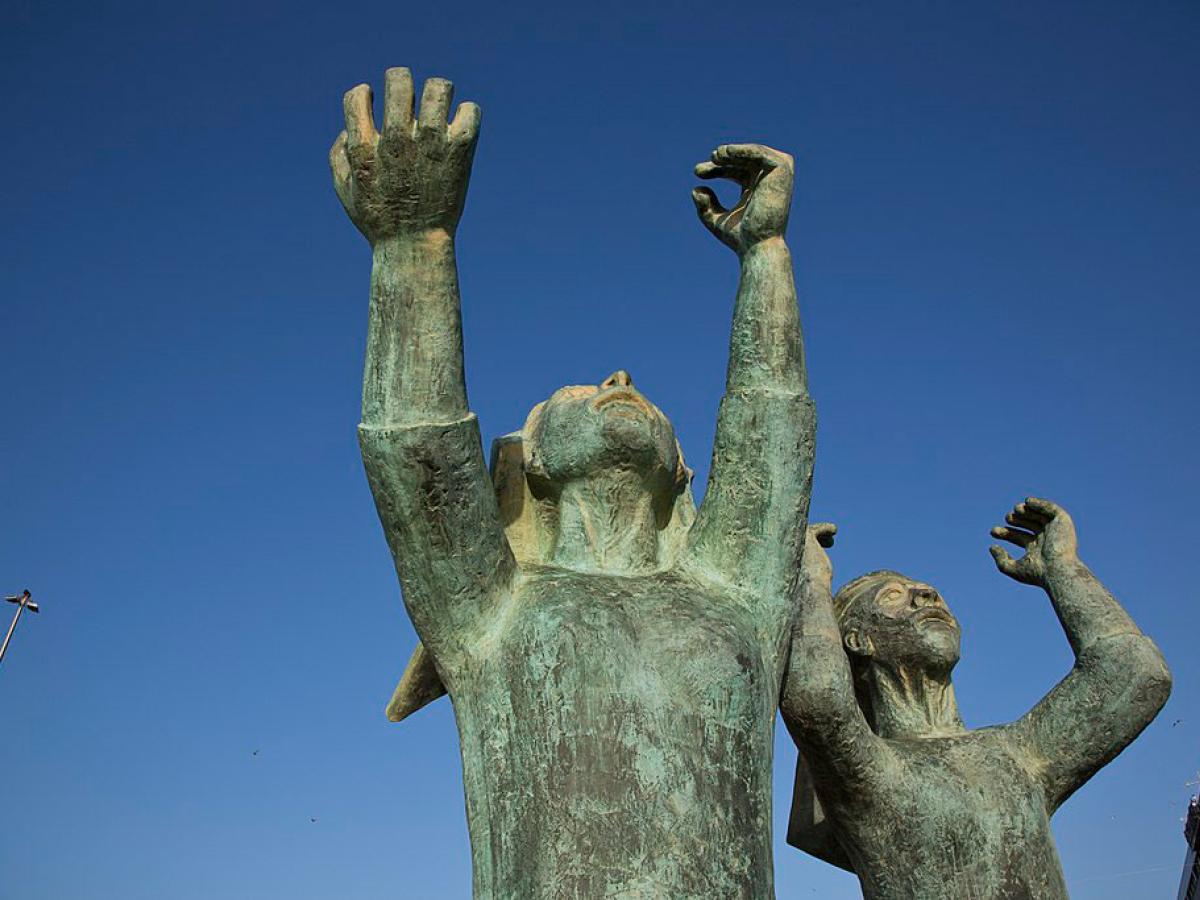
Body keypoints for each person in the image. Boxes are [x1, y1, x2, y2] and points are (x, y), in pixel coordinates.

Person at [329, 67, 815, 898]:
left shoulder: (736, 594)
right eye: (578, 395)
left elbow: (771, 431)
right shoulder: (494, 607)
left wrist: (765, 254)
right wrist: (414, 245)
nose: (618, 375)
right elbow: (417, 458)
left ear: (682, 472)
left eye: (635, 395)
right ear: (537, 463)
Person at [781, 499, 1172, 899]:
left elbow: (1136, 672)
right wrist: (812, 585)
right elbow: (816, 698)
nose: (927, 596)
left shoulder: (1017, 754)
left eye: (927, 591)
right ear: (857, 641)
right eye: (894, 596)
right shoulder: (868, 770)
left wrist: (1064, 571)